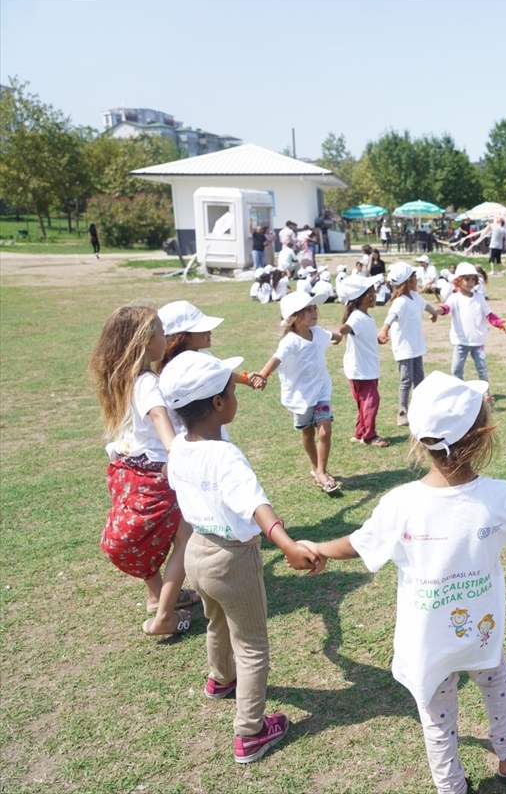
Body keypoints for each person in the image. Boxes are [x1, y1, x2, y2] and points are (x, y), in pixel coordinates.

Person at [303, 372, 506, 792]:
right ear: (481, 437)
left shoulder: (400, 502)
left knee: (437, 721)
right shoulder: (499, 498)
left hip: (427, 642)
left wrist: (318, 549)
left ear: (419, 441)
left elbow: (358, 544)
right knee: (496, 687)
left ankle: (451, 786)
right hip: (481, 632)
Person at [158, 351, 320, 763]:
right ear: (217, 403)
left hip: (196, 552)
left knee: (216, 621)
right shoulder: (225, 455)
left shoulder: (179, 446)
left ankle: (221, 680)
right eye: (232, 390)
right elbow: (255, 505)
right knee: (252, 645)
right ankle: (250, 732)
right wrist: (287, 544)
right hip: (232, 558)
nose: (235, 394)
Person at [87, 305, 196, 637]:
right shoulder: (147, 381)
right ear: (146, 342)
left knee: (165, 536)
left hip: (128, 469)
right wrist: (177, 451)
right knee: (186, 537)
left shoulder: (122, 378)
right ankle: (164, 615)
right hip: (157, 472)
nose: (166, 338)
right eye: (161, 333)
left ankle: (157, 595)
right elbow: (159, 417)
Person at [255, 291, 342, 494]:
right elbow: (276, 358)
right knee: (307, 433)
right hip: (300, 396)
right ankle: (315, 467)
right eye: (308, 309)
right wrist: (264, 373)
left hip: (322, 390)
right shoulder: (290, 341)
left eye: (314, 308)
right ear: (294, 317)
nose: (314, 312)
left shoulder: (319, 333)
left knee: (325, 430)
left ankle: (321, 471)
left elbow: (332, 336)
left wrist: (340, 335)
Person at [378, 263, 440, 427]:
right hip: (404, 348)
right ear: (407, 281)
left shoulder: (415, 297)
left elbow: (426, 306)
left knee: (419, 379)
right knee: (406, 380)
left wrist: (434, 314)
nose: (416, 278)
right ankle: (402, 411)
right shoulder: (400, 302)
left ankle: (418, 408)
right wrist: (384, 330)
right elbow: (391, 316)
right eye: (414, 276)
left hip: (416, 346)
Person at [332, 274, 387, 448]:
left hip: (367, 367)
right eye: (372, 292)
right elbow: (345, 328)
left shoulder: (366, 316)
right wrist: (339, 334)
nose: (375, 294)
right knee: (371, 401)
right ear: (366, 297)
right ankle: (369, 436)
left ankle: (360, 432)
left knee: (364, 402)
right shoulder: (356, 317)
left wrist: (377, 339)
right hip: (360, 369)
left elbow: (362, 334)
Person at [436, 262, 506, 386]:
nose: (470, 282)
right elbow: (446, 308)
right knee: (456, 369)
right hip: (461, 341)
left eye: (473, 279)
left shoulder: (479, 298)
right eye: (466, 279)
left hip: (477, 341)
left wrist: (501, 324)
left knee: (482, 368)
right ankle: (459, 392)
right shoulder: (454, 298)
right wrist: (436, 311)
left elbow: (490, 315)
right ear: (458, 281)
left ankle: (486, 394)